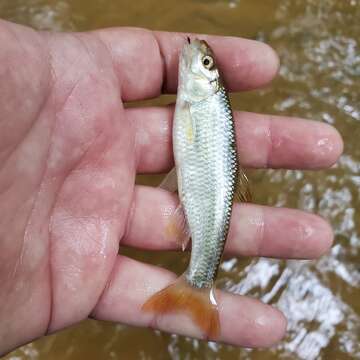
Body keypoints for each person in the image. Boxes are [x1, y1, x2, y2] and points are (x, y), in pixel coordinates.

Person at [0, 18, 343, 356]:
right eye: (206, 63)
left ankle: (198, 281)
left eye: (205, 63)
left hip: (207, 184)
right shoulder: (200, 101)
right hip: (205, 181)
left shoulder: (204, 103)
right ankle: (196, 285)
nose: (196, 58)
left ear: (209, 84)